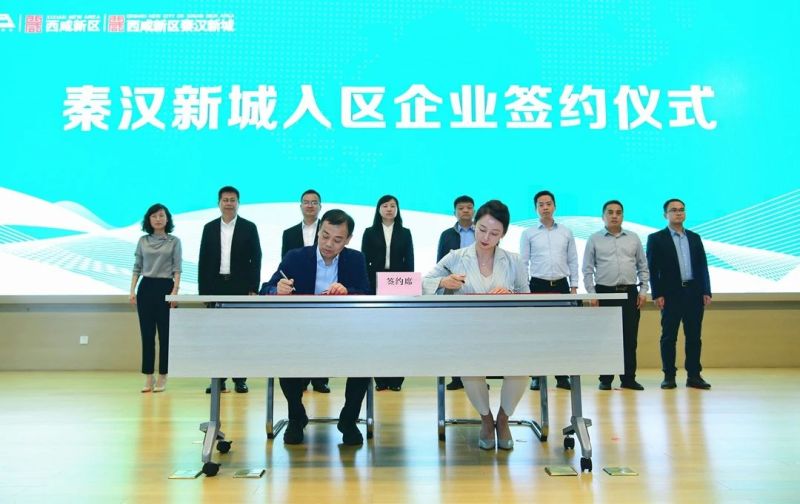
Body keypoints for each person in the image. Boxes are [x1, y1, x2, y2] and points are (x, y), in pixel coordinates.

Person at [423, 200, 530, 451]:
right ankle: (486, 418)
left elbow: (527, 297)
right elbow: (423, 282)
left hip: (505, 334)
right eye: (482, 230)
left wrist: (511, 296)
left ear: (503, 234)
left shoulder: (513, 261)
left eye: (494, 233)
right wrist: (443, 282)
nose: (486, 237)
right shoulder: (456, 257)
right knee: (469, 366)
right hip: (467, 334)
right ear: (474, 226)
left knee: (522, 366)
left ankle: (503, 418)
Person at [260, 209, 371, 445]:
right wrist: (276, 289)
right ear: (318, 231)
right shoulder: (295, 257)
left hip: (344, 333)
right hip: (302, 333)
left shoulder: (355, 259)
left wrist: (348, 291)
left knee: (364, 361)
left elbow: (366, 292)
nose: (329, 244)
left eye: (337, 240)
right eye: (325, 236)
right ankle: (296, 416)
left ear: (348, 239)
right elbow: (266, 288)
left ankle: (348, 420)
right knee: (285, 358)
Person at [198, 186, 262, 394]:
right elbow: (203, 260)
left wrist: (253, 288)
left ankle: (240, 379)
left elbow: (256, 259)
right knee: (216, 336)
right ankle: (218, 379)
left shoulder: (249, 227)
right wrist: (203, 292)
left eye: (232, 200)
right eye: (225, 200)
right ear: (219, 203)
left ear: (238, 203)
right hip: (215, 286)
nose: (229, 203)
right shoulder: (209, 228)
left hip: (240, 287)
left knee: (239, 335)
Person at [582, 200, 649, 391]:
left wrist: (643, 290)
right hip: (605, 293)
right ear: (603, 216)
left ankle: (628, 378)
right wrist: (592, 294)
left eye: (618, 212)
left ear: (622, 216)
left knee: (630, 337)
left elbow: (643, 266)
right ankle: (605, 379)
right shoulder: (594, 239)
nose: (614, 216)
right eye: (610, 212)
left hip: (629, 293)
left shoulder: (633, 238)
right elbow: (587, 269)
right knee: (606, 338)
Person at [647, 198, 712, 390]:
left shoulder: (694, 237)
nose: (678, 213)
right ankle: (669, 376)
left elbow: (702, 266)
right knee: (669, 337)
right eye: (674, 210)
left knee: (694, 337)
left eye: (681, 210)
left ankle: (694, 375)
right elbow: (652, 269)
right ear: (665, 214)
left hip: (694, 293)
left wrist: (706, 290)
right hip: (670, 294)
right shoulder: (656, 238)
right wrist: (657, 293)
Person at [519, 190, 579, 391]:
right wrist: (524, 290)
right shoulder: (528, 233)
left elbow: (572, 260)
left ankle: (562, 376)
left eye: (548, 204)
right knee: (537, 332)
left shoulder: (566, 232)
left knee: (562, 332)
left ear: (555, 206)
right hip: (537, 286)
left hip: (561, 285)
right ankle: (536, 376)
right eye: (541, 204)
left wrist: (574, 286)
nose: (545, 207)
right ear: (536, 208)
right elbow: (523, 262)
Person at [361, 195, 414, 391]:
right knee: (377, 332)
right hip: (375, 283)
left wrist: (409, 288)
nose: (389, 209)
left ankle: (396, 380)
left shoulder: (405, 232)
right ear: (378, 209)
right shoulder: (369, 232)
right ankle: (381, 380)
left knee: (398, 333)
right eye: (385, 205)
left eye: (393, 206)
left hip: (398, 283)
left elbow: (409, 261)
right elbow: (363, 260)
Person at [280, 189, 330, 394]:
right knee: (300, 338)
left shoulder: (328, 231)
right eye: (306, 202)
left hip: (323, 291)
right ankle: (300, 378)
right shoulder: (289, 233)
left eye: (314, 202)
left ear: (320, 206)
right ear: (300, 206)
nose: (310, 205)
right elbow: (284, 265)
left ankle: (320, 380)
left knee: (322, 336)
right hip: (297, 292)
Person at [129, 203, 182, 393]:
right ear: (148, 220)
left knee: (165, 335)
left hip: (165, 287)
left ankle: (163, 375)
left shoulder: (174, 241)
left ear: (167, 219)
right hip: (146, 287)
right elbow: (137, 267)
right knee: (147, 334)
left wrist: (175, 291)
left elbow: (177, 269)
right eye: (154, 216)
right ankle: (148, 376)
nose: (158, 219)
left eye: (161, 215)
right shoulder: (143, 241)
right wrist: (132, 290)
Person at [436, 195, 475, 391]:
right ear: (455, 212)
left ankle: (476, 377)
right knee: (455, 334)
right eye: (461, 208)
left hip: (477, 288)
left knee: (475, 335)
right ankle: (457, 377)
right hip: (454, 287)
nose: (465, 211)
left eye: (469, 207)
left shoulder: (482, 232)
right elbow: (440, 263)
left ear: (474, 211)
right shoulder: (447, 235)